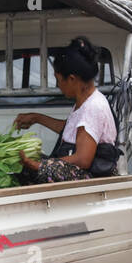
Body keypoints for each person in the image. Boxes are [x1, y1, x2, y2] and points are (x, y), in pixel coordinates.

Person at [13, 37, 119, 183]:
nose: (58, 86)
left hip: (91, 179)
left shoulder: (93, 107)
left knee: (31, 170)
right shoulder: (85, 102)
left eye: (58, 80)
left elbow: (83, 160)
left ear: (72, 79)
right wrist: (36, 118)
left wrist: (38, 165)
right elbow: (71, 131)